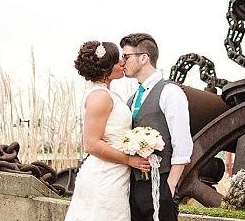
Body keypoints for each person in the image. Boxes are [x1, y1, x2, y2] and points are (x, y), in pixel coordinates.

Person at [64, 40, 150, 221]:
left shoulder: (108, 94)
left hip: (115, 175)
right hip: (103, 178)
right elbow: (92, 144)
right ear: (106, 68)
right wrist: (129, 160)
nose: (122, 62)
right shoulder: (100, 97)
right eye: (118, 59)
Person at [120, 33, 193, 221]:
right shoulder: (132, 97)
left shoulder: (170, 92)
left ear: (143, 58)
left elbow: (183, 142)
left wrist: (170, 185)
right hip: (134, 186)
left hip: (161, 181)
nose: (122, 62)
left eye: (126, 56)